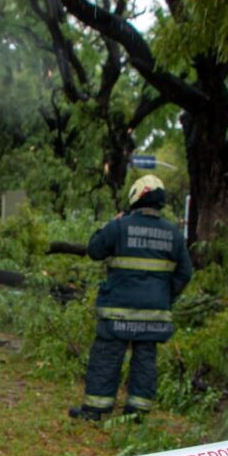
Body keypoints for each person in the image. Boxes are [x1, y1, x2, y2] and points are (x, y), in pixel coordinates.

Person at [69, 175, 192, 423]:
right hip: (154, 317)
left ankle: (95, 410)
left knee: (106, 357)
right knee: (145, 361)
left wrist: (109, 224)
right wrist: (166, 297)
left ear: (136, 197)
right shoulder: (174, 234)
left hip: (118, 314)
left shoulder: (120, 226)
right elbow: (184, 273)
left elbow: (94, 250)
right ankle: (137, 413)